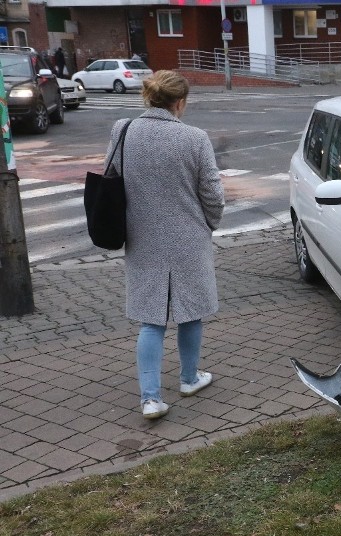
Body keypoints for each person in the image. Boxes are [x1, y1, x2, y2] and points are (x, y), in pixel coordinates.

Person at [104, 70, 225, 419]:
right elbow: (213, 195)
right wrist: (210, 223)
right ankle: (189, 378)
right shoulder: (195, 138)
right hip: (189, 238)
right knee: (191, 310)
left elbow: (111, 180)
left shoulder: (122, 131)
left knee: (150, 319)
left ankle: (151, 398)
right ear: (180, 101)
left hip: (141, 237)